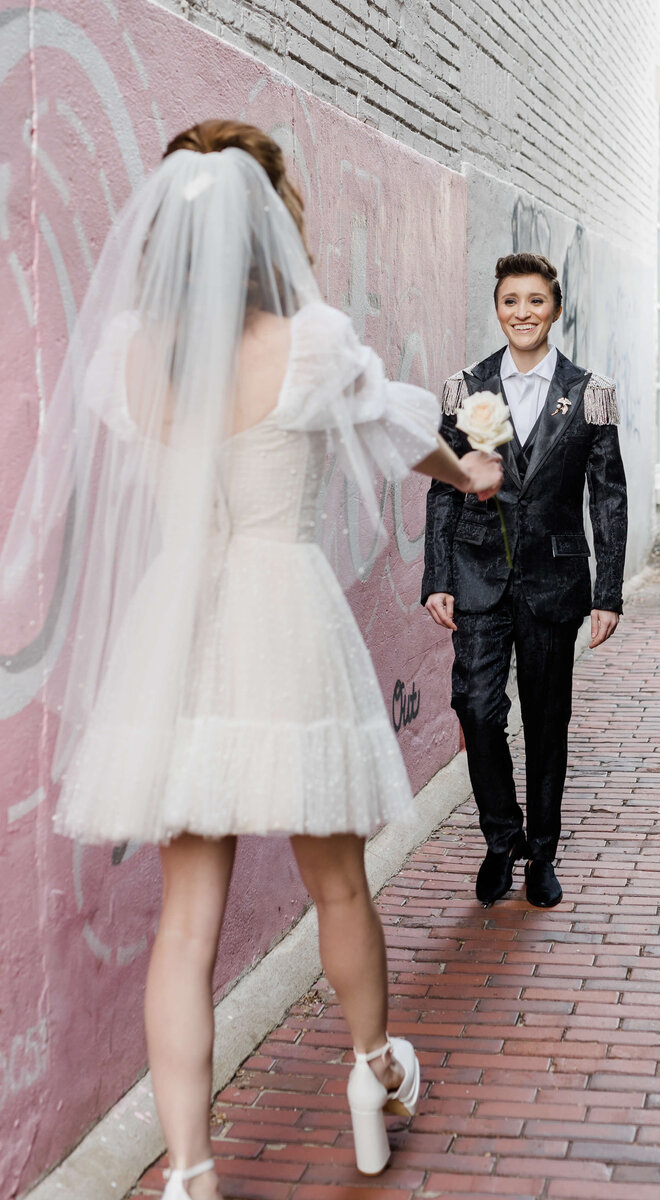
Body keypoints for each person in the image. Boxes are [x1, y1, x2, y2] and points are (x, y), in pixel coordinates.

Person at [0, 120, 502, 1198]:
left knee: (186, 924)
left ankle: (188, 1174)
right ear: (272, 223)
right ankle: (373, 1076)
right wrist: (468, 476)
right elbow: (396, 429)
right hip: (284, 624)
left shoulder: (133, 358)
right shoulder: (311, 343)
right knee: (337, 887)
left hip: (175, 636)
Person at [422, 252, 627, 910]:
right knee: (476, 710)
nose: (523, 312)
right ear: (498, 307)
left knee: (546, 721)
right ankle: (499, 836)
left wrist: (609, 591)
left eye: (535, 301)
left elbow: (608, 498)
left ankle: (541, 852)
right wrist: (437, 576)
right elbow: (445, 488)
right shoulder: (467, 387)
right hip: (478, 576)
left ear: (555, 309)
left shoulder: (591, 391)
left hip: (555, 581)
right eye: (511, 301)